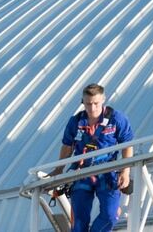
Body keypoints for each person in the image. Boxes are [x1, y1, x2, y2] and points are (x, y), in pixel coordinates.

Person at [56, 83, 133, 232]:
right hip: (81, 173)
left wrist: (125, 171)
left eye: (96, 103)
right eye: (88, 104)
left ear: (103, 99)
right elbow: (67, 147)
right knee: (79, 222)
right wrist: (58, 170)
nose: (92, 108)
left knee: (110, 215)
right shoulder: (75, 122)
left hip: (107, 172)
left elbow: (127, 145)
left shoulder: (117, 119)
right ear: (82, 102)